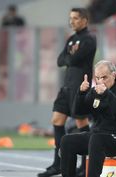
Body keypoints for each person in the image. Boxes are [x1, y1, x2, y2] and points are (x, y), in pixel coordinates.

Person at [37, 8, 96, 177]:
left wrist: (69, 58)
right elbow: (60, 60)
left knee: (81, 124)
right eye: (71, 18)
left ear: (85, 20)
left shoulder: (89, 39)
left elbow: (74, 59)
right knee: (57, 120)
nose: (72, 21)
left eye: (76, 18)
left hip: (80, 88)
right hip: (66, 88)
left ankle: (85, 165)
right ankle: (58, 164)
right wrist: (70, 57)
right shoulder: (71, 39)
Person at [60, 60, 116, 177]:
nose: (101, 81)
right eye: (97, 78)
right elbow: (78, 112)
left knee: (97, 139)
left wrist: (107, 94)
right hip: (100, 136)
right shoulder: (95, 92)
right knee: (67, 141)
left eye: (104, 77)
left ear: (114, 75)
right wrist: (81, 93)